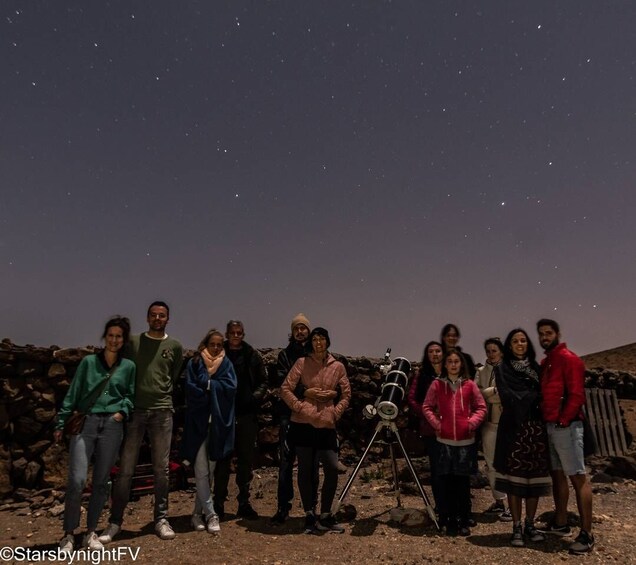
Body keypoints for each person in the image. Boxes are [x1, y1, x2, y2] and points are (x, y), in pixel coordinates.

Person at [100, 301, 183, 543]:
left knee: (162, 469)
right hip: (134, 411)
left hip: (162, 411)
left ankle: (161, 519)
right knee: (125, 470)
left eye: (162, 315)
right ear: (147, 318)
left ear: (168, 319)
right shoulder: (134, 343)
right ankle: (115, 522)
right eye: (154, 315)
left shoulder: (175, 346)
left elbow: (174, 374)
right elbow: (120, 369)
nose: (158, 318)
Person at [54, 316, 135, 554]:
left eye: (118, 336)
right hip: (86, 424)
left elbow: (130, 394)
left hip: (112, 425)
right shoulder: (89, 363)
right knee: (77, 481)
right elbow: (73, 392)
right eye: (110, 335)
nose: (114, 339)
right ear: (104, 336)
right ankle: (68, 534)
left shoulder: (128, 366)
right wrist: (61, 422)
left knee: (101, 482)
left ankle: (90, 532)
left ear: (124, 340)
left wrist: (122, 412)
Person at [281, 327, 351, 534]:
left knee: (331, 468)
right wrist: (301, 407)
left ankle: (326, 514)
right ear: (311, 343)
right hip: (303, 424)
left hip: (327, 425)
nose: (318, 343)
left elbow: (346, 394)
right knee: (305, 470)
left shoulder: (337, 366)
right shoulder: (302, 363)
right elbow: (285, 388)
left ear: (328, 342)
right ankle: (310, 515)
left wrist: (334, 413)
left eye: (322, 339)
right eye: (315, 339)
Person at [537, 318, 594, 555]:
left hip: (566, 426)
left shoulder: (570, 360)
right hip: (551, 425)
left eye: (548, 333)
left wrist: (564, 420)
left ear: (557, 333)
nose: (544, 337)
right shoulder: (547, 362)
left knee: (577, 476)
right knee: (558, 476)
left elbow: (577, 394)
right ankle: (561, 523)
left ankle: (587, 533)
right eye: (541, 334)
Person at [493, 329, 551, 547]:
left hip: (536, 430)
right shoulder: (503, 369)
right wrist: (535, 397)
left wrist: (533, 399)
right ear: (509, 345)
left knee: (533, 481)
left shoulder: (537, 368)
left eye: (523, 340)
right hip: (514, 430)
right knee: (514, 482)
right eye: (515, 341)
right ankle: (516, 526)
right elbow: (507, 397)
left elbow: (545, 395)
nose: (520, 344)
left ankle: (530, 524)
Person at [422, 348, 486, 536]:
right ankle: (448, 519)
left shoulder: (469, 385)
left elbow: (481, 407)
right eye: (449, 361)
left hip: (465, 443)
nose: (453, 365)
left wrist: (471, 423)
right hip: (444, 442)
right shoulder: (437, 385)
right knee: (447, 482)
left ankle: (463, 519)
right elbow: (427, 406)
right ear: (445, 364)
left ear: (461, 364)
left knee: (462, 483)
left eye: (456, 361)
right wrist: (437, 424)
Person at [181, 328, 237, 534]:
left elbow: (231, 388)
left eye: (219, 345)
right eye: (212, 344)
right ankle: (212, 515)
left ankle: (197, 514)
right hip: (197, 424)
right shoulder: (195, 363)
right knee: (201, 470)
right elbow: (191, 389)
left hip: (217, 424)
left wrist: (208, 385)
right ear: (205, 344)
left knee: (210, 471)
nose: (215, 348)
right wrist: (212, 386)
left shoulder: (227, 364)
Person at [213, 320, 268, 520]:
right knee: (222, 461)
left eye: (239, 333)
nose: (236, 336)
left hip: (246, 414)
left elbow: (263, 381)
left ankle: (243, 502)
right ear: (227, 334)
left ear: (243, 334)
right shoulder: (218, 353)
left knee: (245, 461)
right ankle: (218, 503)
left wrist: (253, 399)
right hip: (223, 415)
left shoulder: (251, 355)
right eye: (233, 333)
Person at [270, 313, 321, 524]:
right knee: (286, 462)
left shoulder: (316, 355)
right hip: (288, 414)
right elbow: (284, 383)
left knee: (311, 463)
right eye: (296, 329)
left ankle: (311, 508)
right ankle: (283, 507)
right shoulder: (284, 356)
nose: (300, 332)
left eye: (303, 328)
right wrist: (305, 391)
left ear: (309, 331)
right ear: (292, 333)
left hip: (311, 415)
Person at [476, 338, 512, 521]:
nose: (491, 354)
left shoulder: (510, 370)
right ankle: (500, 502)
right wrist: (493, 392)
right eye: (488, 350)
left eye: (494, 350)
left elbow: (507, 393)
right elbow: (476, 394)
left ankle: (513, 506)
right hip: (488, 423)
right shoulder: (481, 372)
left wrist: (487, 393)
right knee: (491, 464)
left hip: (506, 423)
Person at [407, 341, 443, 511]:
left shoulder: (452, 372)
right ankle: (440, 507)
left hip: (454, 430)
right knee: (437, 470)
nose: (435, 354)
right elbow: (412, 399)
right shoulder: (421, 376)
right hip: (431, 429)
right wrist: (427, 414)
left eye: (438, 351)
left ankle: (461, 509)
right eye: (431, 351)